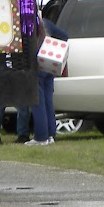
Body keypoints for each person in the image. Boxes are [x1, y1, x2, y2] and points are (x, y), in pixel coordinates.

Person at [19, 14, 70, 146]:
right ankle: (50, 135)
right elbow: (64, 36)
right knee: (48, 102)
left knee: (38, 102)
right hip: (49, 65)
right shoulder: (46, 22)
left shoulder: (26, 26)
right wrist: (53, 47)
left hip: (36, 66)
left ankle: (41, 137)